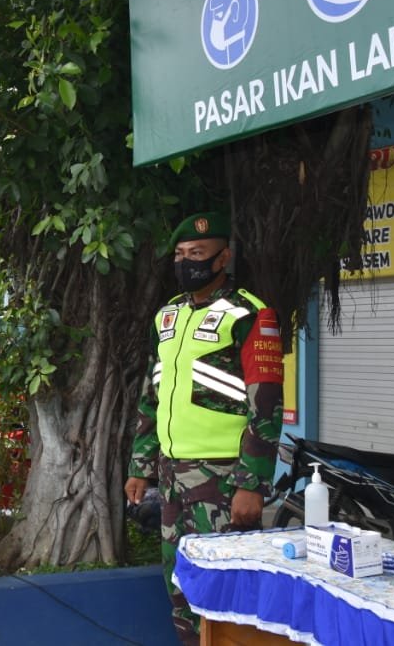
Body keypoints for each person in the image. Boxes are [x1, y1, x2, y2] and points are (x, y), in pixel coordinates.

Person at [124, 212, 284, 646]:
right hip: (173, 475)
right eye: (180, 254)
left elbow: (266, 406)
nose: (186, 262)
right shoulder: (168, 316)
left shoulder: (250, 314)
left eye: (197, 254)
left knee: (224, 596)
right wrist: (141, 464)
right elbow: (151, 395)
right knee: (180, 588)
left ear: (223, 258)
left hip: (223, 479)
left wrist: (252, 483)